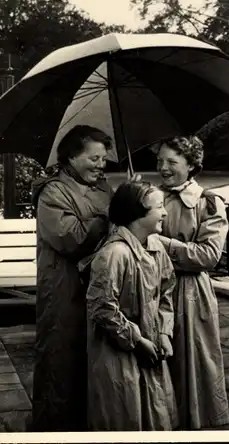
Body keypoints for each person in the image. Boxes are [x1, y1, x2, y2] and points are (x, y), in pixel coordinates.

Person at [31, 125, 114, 431]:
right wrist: (108, 215)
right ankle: (52, 430)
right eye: (94, 158)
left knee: (92, 362)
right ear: (72, 157)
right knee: (60, 361)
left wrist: (130, 199)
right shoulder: (52, 191)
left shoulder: (103, 188)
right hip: (64, 290)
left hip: (97, 288)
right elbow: (72, 239)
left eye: (103, 159)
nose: (101, 165)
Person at [86, 181, 178, 431]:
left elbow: (166, 291)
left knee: (154, 415)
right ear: (137, 214)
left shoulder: (156, 245)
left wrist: (163, 333)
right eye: (159, 206)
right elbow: (102, 308)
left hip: (152, 345)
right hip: (119, 354)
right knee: (125, 415)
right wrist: (137, 341)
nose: (165, 212)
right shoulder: (114, 254)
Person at [155, 135, 229, 430]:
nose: (163, 167)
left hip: (189, 292)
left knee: (192, 359)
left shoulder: (207, 202)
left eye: (172, 161)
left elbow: (209, 256)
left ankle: (193, 425)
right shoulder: (150, 196)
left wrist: (162, 244)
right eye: (160, 160)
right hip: (156, 289)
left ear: (191, 165)